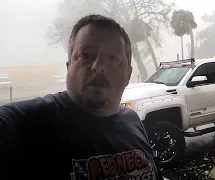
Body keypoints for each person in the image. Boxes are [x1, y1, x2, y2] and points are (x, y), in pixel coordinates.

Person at [0, 14, 164, 180]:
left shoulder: (133, 120)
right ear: (68, 66)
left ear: (128, 74)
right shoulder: (29, 122)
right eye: (86, 55)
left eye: (113, 58)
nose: (98, 67)